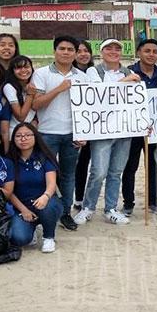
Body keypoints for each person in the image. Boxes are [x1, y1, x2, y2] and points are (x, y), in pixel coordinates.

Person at [74, 38, 139, 225]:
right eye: (108, 48)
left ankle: (111, 208)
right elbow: (99, 93)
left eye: (117, 49)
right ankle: (88, 207)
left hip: (124, 130)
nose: (113, 52)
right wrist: (126, 81)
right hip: (101, 130)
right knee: (99, 171)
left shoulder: (129, 72)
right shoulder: (94, 71)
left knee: (116, 172)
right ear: (101, 52)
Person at [30, 35, 90, 231]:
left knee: (68, 175)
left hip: (72, 134)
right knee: (43, 174)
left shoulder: (82, 76)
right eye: (62, 48)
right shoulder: (41, 73)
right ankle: (42, 211)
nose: (66, 52)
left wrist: (83, 133)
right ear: (54, 51)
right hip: (47, 133)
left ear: (75, 53)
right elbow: (36, 104)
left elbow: (87, 108)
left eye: (70, 49)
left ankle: (65, 213)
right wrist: (59, 89)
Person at [122, 38, 157, 215]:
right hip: (132, 128)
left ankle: (152, 200)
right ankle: (128, 203)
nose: (151, 54)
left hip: (153, 129)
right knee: (130, 166)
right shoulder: (128, 72)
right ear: (139, 52)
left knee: (152, 165)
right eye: (147, 51)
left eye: (155, 52)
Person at [8, 123, 63, 253]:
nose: (23, 139)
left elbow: (51, 184)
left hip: (45, 201)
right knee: (19, 238)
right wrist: (23, 210)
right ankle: (31, 228)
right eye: (19, 136)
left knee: (48, 207)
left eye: (28, 135)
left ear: (35, 137)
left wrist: (45, 196)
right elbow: (8, 192)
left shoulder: (44, 156)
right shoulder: (9, 160)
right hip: (22, 206)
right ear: (13, 139)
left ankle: (48, 237)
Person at [72, 41, 96, 211]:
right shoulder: (70, 74)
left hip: (94, 126)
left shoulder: (96, 73)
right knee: (78, 164)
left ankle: (86, 199)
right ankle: (78, 198)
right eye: (79, 51)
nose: (83, 54)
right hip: (75, 125)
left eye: (86, 51)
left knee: (91, 164)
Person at [2, 55, 37, 137]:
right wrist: (30, 95)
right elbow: (21, 117)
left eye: (26, 67)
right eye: (18, 68)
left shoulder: (34, 83)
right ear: (12, 71)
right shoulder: (9, 87)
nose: (23, 70)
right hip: (15, 133)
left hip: (31, 131)